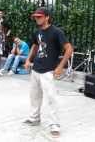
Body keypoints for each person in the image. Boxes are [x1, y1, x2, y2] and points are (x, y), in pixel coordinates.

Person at [23, 7, 73, 137]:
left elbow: (69, 49)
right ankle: (34, 118)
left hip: (48, 71)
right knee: (34, 96)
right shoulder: (37, 31)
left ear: (47, 17)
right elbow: (35, 45)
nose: (37, 19)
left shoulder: (56, 32)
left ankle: (54, 124)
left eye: (39, 17)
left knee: (51, 98)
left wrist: (61, 66)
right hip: (36, 69)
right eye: (35, 17)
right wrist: (28, 60)